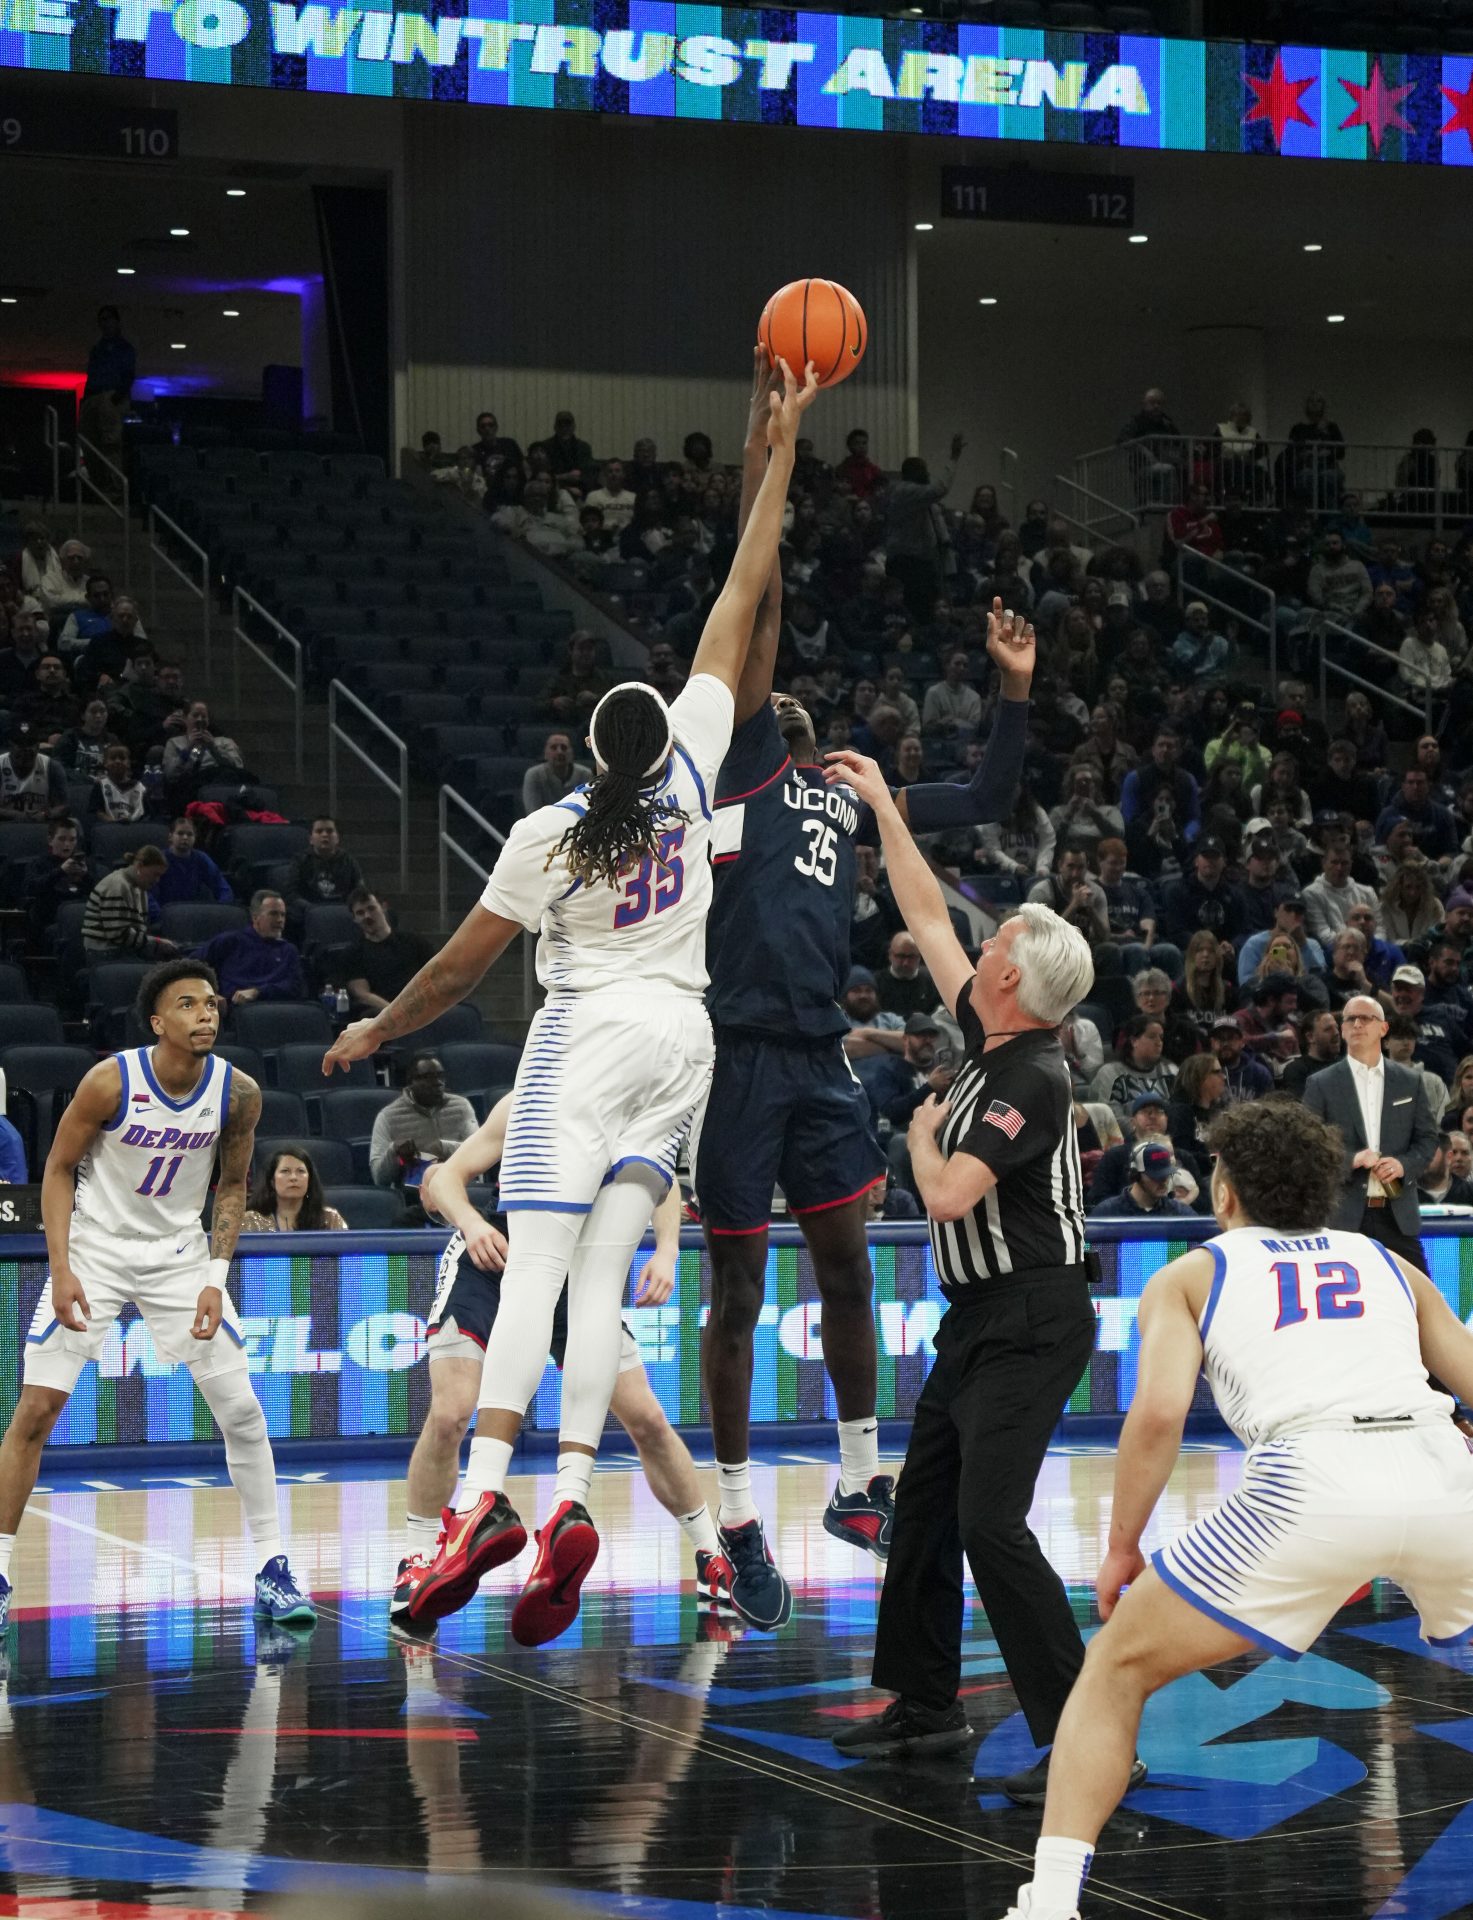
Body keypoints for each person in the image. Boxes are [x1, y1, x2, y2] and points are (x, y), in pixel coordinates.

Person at [324, 355, 821, 1648]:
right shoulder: (699, 782)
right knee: (599, 1288)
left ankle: (483, 1502)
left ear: (578, 747)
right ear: (665, 737)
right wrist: (775, 454)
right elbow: (738, 598)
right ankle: (563, 1502)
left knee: (536, 1267)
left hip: (589, 1038)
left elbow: (462, 969)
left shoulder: (548, 833)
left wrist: (380, 1028)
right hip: (686, 1048)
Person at [695, 362, 1034, 1629]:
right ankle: (736, 1521)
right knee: (735, 1292)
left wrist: (1012, 689)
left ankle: (854, 1481)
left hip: (819, 1052)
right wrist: (765, 451)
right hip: (728, 1051)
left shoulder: (842, 789)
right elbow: (752, 594)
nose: (773, 690)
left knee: (846, 1266)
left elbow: (989, 802)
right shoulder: (723, 765)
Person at [994, 1098, 1473, 1920]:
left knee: (1112, 1671)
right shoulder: (1389, 1264)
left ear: (1223, 1192)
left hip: (1309, 1484)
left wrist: (1120, 1546)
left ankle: (1048, 1904)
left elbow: (1156, 1414)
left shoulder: (1195, 1273)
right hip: (1437, 1467)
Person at [820, 794, 1108, 1784]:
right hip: (983, 1317)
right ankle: (926, 1706)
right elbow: (925, 912)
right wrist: (879, 808)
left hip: (1036, 1317)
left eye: (1002, 943)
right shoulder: (989, 1037)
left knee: (990, 1521)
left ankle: (1085, 1730)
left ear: (1017, 978)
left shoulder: (1036, 1074)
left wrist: (915, 1132)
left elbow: (946, 1194)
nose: (981, 947)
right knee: (927, 1511)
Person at [0, 960, 314, 1630]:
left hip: (177, 1258)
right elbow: (55, 1169)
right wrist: (61, 1269)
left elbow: (231, 1186)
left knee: (243, 1411)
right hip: (97, 1250)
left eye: (211, 1003)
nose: (205, 1014)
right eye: (188, 1004)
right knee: (36, 1411)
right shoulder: (110, 1080)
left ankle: (274, 1565)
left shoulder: (239, 1093)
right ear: (157, 1021)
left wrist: (212, 1274)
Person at [395, 1094, 728, 1625]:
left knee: (645, 1418)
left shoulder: (630, 1106)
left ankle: (714, 1554)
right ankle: (416, 1559)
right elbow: (441, 1179)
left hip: (578, 1275)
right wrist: (471, 1224)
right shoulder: (531, 1097)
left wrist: (666, 1251)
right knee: (452, 1410)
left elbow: (659, 1182)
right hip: (497, 1258)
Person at [1305, 994, 1437, 1269]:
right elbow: (1308, 1148)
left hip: (1397, 1213)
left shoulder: (1409, 1081)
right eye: (1350, 1019)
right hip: (1344, 1217)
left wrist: (1403, 1165)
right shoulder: (1320, 1083)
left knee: (1416, 1301)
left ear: (1383, 1028)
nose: (1356, 1024)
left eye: (1365, 1018)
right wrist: (1352, 1160)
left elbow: (1427, 1139)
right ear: (1342, 1029)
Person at [368, 1054, 478, 1189]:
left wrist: (442, 1147)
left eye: (440, 1076)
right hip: (413, 1195)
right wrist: (394, 1152)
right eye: (428, 1077)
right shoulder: (388, 1117)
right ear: (411, 1082)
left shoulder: (461, 1106)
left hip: (459, 1187)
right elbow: (379, 1178)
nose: (438, 1083)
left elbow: (478, 1153)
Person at [201, 892, 305, 1008]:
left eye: (283, 915)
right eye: (273, 914)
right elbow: (190, 968)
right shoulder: (230, 941)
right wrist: (210, 995)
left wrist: (257, 992)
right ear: (255, 917)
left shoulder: (289, 951)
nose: (280, 920)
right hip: (232, 1012)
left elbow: (295, 987)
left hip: (276, 1011)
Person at [343, 889, 434, 1016]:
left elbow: (436, 976)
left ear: (384, 907)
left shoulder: (415, 942)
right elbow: (362, 995)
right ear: (355, 919)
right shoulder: (353, 953)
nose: (367, 916)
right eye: (360, 913)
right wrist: (397, 1011)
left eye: (371, 908)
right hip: (384, 1013)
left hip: (421, 1006)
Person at [82, 848, 177, 961]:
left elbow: (137, 930)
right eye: (155, 874)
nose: (157, 880)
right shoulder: (117, 885)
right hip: (104, 952)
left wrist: (156, 942)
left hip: (123, 950)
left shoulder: (139, 888)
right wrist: (155, 941)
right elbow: (117, 934)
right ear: (140, 866)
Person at [1086, 1093, 1170, 1209]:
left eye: (1159, 1111)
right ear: (1132, 1122)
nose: (1153, 1116)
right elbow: (1098, 1198)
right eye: (1146, 1111)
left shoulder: (1182, 1155)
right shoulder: (1114, 1157)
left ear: (1167, 1119)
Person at [79, 306, 135, 472]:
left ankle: (113, 490)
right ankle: (99, 484)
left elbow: (128, 374)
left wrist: (116, 398)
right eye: (101, 320)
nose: (104, 323)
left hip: (109, 395)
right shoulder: (97, 348)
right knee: (89, 442)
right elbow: (92, 374)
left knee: (110, 443)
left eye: (108, 319)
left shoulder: (124, 347)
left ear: (116, 322)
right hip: (93, 396)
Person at [241, 1146, 348, 1232]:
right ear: (272, 1181)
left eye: (300, 1171)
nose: (293, 1177)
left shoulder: (330, 1219)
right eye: (285, 1171)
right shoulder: (250, 1221)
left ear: (309, 1180)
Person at [1088, 1140, 1196, 1220]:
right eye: (1156, 1176)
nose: (1164, 1181)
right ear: (1135, 1175)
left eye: (1166, 1174)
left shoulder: (1181, 1214)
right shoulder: (1107, 1213)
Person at [154, 816, 233, 907]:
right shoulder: (159, 859)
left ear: (195, 838)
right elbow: (149, 893)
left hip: (193, 912)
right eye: (180, 833)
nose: (185, 837)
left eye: (190, 834)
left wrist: (222, 908)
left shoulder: (201, 858)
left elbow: (222, 887)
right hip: (165, 912)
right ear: (170, 837)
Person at [0, 722, 69, 821]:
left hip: (42, 826)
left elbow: (63, 807)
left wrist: (46, 815)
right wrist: (18, 816)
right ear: (10, 745)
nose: (26, 749)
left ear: (37, 746)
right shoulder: (1, 764)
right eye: (20, 745)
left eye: (30, 744)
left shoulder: (52, 767)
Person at [288, 818, 363, 906]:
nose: (325, 835)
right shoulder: (300, 861)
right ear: (311, 839)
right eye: (319, 831)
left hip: (342, 910)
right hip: (309, 910)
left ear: (337, 838)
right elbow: (291, 893)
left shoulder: (349, 861)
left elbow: (359, 891)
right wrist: (309, 908)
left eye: (330, 831)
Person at [521, 732, 590, 815]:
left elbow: (588, 809)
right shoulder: (534, 775)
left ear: (571, 753)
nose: (559, 752)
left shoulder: (585, 774)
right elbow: (533, 813)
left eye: (564, 748)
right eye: (554, 748)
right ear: (545, 753)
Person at [1281, 1007, 1343, 1097]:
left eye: (1336, 1028)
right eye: (1328, 1029)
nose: (1336, 1033)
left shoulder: (1346, 1065)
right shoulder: (1297, 1070)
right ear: (1310, 1037)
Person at [87, 742, 146, 823]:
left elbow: (145, 814)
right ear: (105, 763)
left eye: (122, 758)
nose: (118, 761)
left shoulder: (140, 788)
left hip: (135, 829)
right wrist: (114, 822)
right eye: (113, 758)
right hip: (108, 828)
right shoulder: (100, 785)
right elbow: (97, 812)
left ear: (128, 763)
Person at [1417, 1134, 1473, 1208]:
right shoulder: (1403, 1194)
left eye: (1429, 1151)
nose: (1459, 1158)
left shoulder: (1469, 1192)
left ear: (1448, 1156)